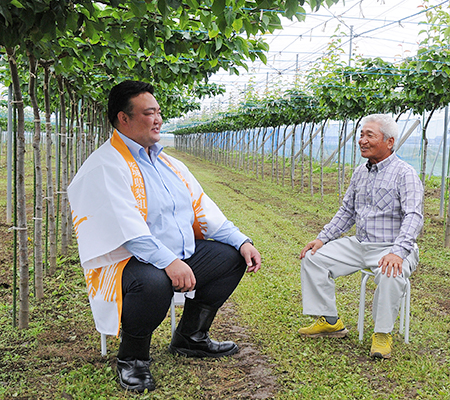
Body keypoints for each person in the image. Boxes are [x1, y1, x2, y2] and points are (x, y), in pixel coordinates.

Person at [67, 80, 261, 392]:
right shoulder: (107, 165)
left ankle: (191, 338)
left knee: (230, 257)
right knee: (153, 282)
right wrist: (169, 261)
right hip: (127, 262)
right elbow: (127, 228)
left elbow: (204, 209)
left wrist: (242, 240)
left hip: (174, 255)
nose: (158, 119)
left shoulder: (169, 163)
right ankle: (132, 359)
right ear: (123, 118)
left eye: (158, 112)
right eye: (148, 113)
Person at [298, 114, 423, 359]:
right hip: (360, 244)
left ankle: (382, 334)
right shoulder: (360, 173)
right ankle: (331, 321)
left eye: (369, 135)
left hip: (391, 247)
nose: (362, 141)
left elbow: (414, 216)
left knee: (391, 271)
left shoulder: (405, 174)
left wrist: (397, 252)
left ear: (389, 142)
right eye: (361, 135)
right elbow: (347, 211)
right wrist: (323, 238)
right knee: (313, 257)